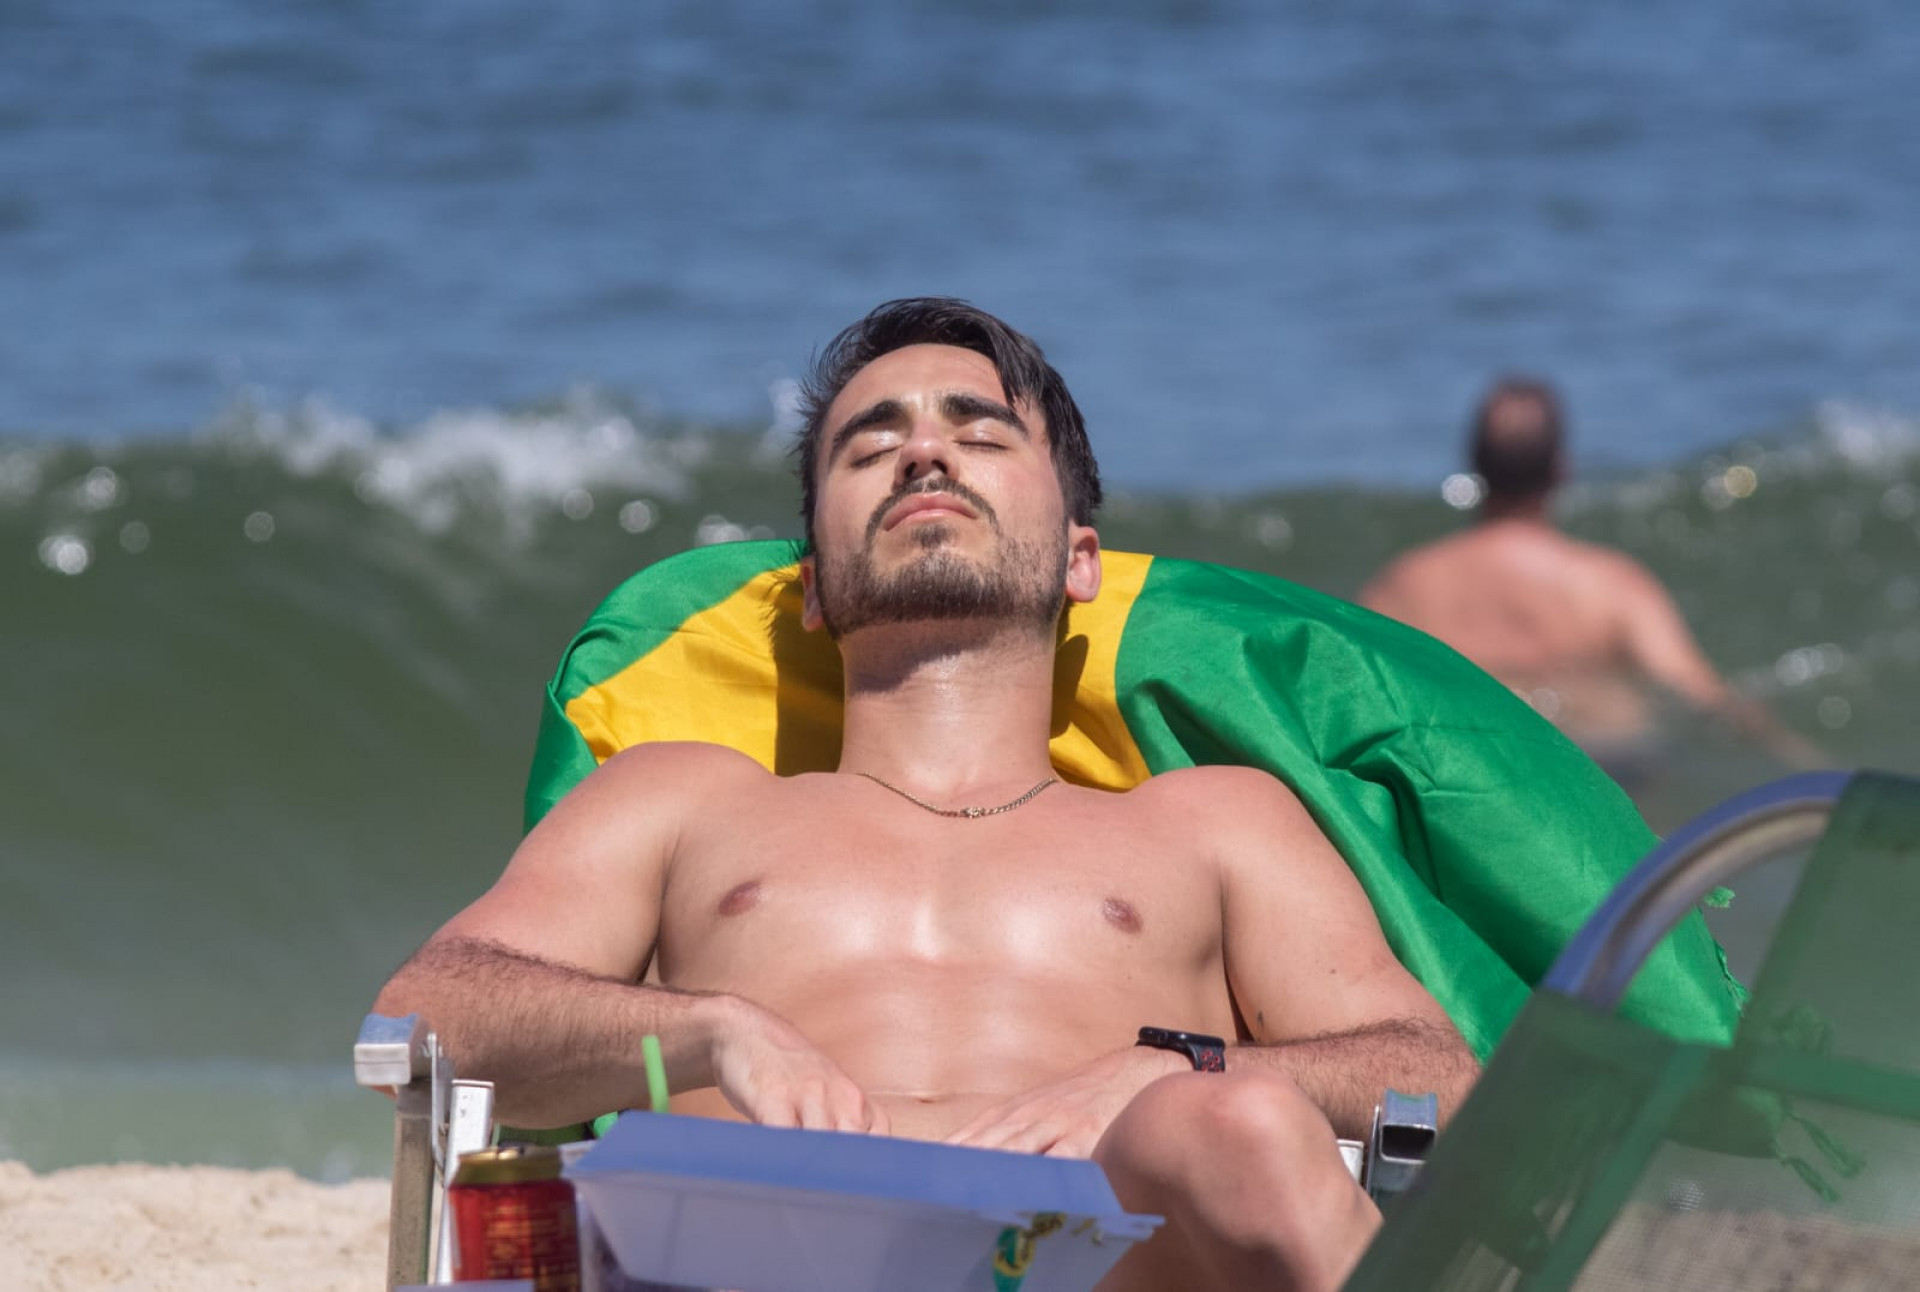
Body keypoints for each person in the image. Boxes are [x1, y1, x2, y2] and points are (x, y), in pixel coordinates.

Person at [374, 298, 1479, 1291]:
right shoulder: (683, 797)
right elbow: (430, 1016)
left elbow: (1438, 1079)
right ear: (811, 586)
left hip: (1100, 1263)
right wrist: (716, 1033)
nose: (924, 456)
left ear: (1079, 559)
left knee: (1235, 1122)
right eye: (873, 443)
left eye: (979, 431)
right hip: (758, 1258)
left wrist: (1171, 1069)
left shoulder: (1211, 823)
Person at [1360, 377, 1822, 783]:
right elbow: (1698, 692)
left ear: (1475, 465)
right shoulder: (1613, 585)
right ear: (1560, 469)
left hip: (1473, 768)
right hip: (1606, 765)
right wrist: (1797, 754)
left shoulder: (1402, 586)